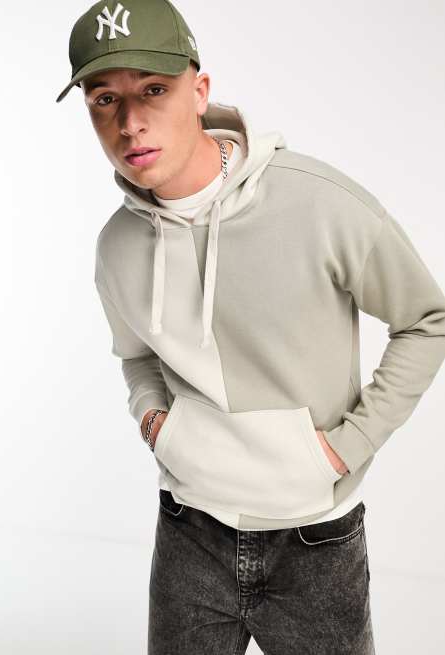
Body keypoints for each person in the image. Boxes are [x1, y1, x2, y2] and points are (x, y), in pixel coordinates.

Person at [56, 1, 445, 653]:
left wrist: (348, 444)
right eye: (104, 99)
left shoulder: (319, 203)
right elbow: (136, 355)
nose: (129, 122)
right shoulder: (117, 245)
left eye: (153, 89)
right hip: (188, 529)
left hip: (314, 539)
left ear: (199, 91)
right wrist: (156, 422)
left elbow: (426, 320)